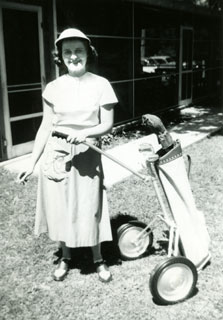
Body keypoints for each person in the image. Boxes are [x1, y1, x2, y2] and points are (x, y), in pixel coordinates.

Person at [18, 28, 118, 282]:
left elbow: (106, 124)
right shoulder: (53, 88)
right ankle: (66, 256)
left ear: (88, 53)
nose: (73, 56)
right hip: (57, 155)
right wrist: (32, 163)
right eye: (67, 52)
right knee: (61, 206)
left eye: (79, 51)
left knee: (90, 206)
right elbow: (45, 126)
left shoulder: (101, 85)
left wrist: (85, 134)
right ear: (60, 56)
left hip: (87, 154)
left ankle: (98, 258)